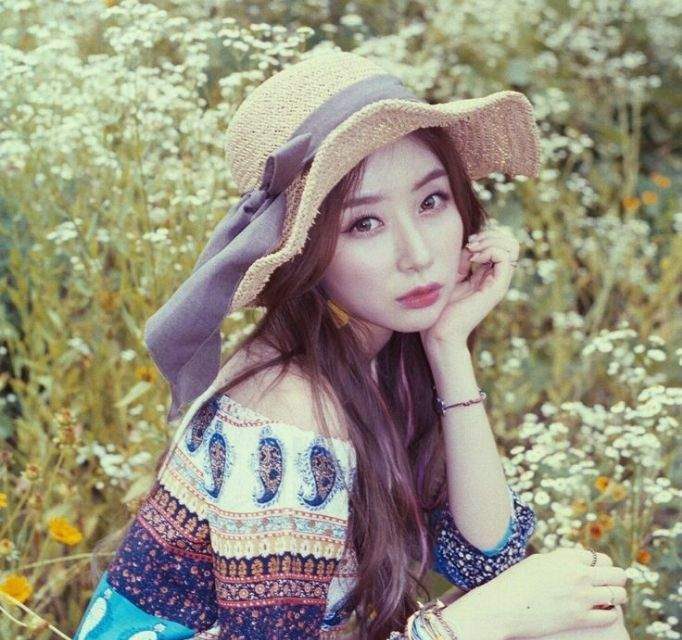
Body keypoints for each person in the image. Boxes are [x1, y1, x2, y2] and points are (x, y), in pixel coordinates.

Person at [73, 51, 629, 639]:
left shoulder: (381, 361)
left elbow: (487, 560)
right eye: (365, 224)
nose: (418, 254)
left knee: (581, 613)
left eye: (431, 202)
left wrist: (448, 349)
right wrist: (464, 625)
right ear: (307, 254)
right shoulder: (287, 412)